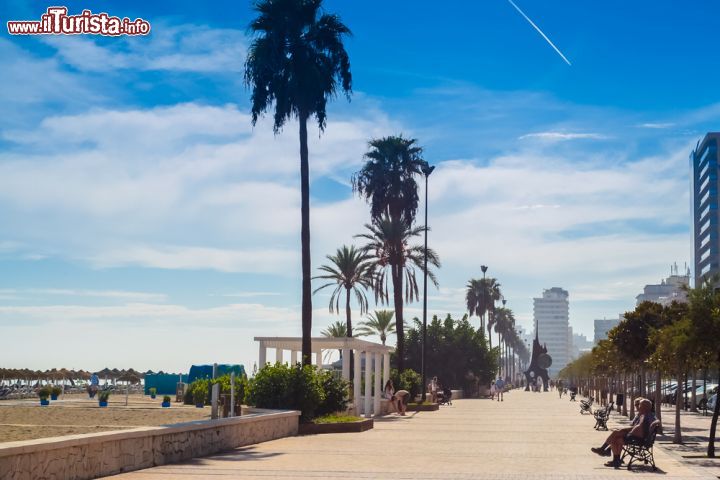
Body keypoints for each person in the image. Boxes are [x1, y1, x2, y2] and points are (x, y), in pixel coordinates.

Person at [592, 398, 655, 469]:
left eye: (639, 405)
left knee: (615, 435)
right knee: (616, 436)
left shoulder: (645, 416)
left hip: (639, 439)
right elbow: (636, 427)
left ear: (644, 407)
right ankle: (615, 459)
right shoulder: (647, 415)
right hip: (638, 437)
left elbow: (637, 428)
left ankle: (608, 453)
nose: (638, 407)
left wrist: (624, 430)